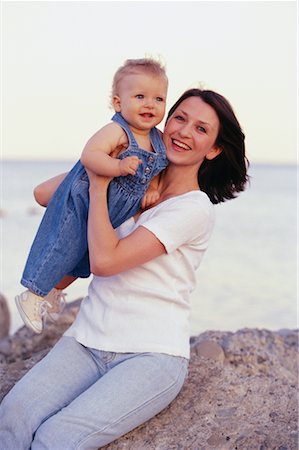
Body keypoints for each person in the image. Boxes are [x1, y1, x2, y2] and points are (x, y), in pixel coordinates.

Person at [0, 88, 249, 450]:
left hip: (151, 356)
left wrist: (100, 185)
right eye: (179, 118)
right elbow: (44, 194)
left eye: (200, 129)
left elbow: (105, 262)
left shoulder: (194, 209)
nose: (183, 132)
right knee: (13, 416)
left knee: (57, 437)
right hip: (86, 341)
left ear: (213, 149)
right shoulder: (130, 180)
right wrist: (105, 159)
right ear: (164, 122)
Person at [15, 57, 169, 334]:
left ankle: (51, 292)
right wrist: (118, 166)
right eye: (140, 96)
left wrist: (154, 187)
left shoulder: (157, 140)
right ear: (119, 103)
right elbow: (90, 155)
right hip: (85, 199)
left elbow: (156, 168)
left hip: (110, 212)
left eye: (158, 98)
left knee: (82, 256)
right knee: (62, 242)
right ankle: (32, 293)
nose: (150, 104)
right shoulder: (117, 130)